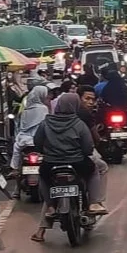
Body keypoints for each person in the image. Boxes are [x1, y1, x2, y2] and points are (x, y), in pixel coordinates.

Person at [31, 93, 99, 243]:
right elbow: (88, 148)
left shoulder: (46, 123)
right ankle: (93, 202)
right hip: (77, 163)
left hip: (51, 163)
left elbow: (37, 143)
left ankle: (50, 206)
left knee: (43, 176)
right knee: (94, 170)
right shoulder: (79, 124)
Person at [10, 86, 50, 198]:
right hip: (39, 141)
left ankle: (15, 177)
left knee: (17, 157)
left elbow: (20, 126)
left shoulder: (25, 110)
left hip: (24, 141)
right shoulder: (43, 109)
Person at [76, 85, 110, 214]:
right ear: (78, 98)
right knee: (100, 167)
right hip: (80, 156)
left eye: (93, 99)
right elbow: (93, 138)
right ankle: (95, 202)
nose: (90, 102)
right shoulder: (84, 115)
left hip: (54, 159)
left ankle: (42, 227)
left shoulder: (53, 118)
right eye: (87, 99)